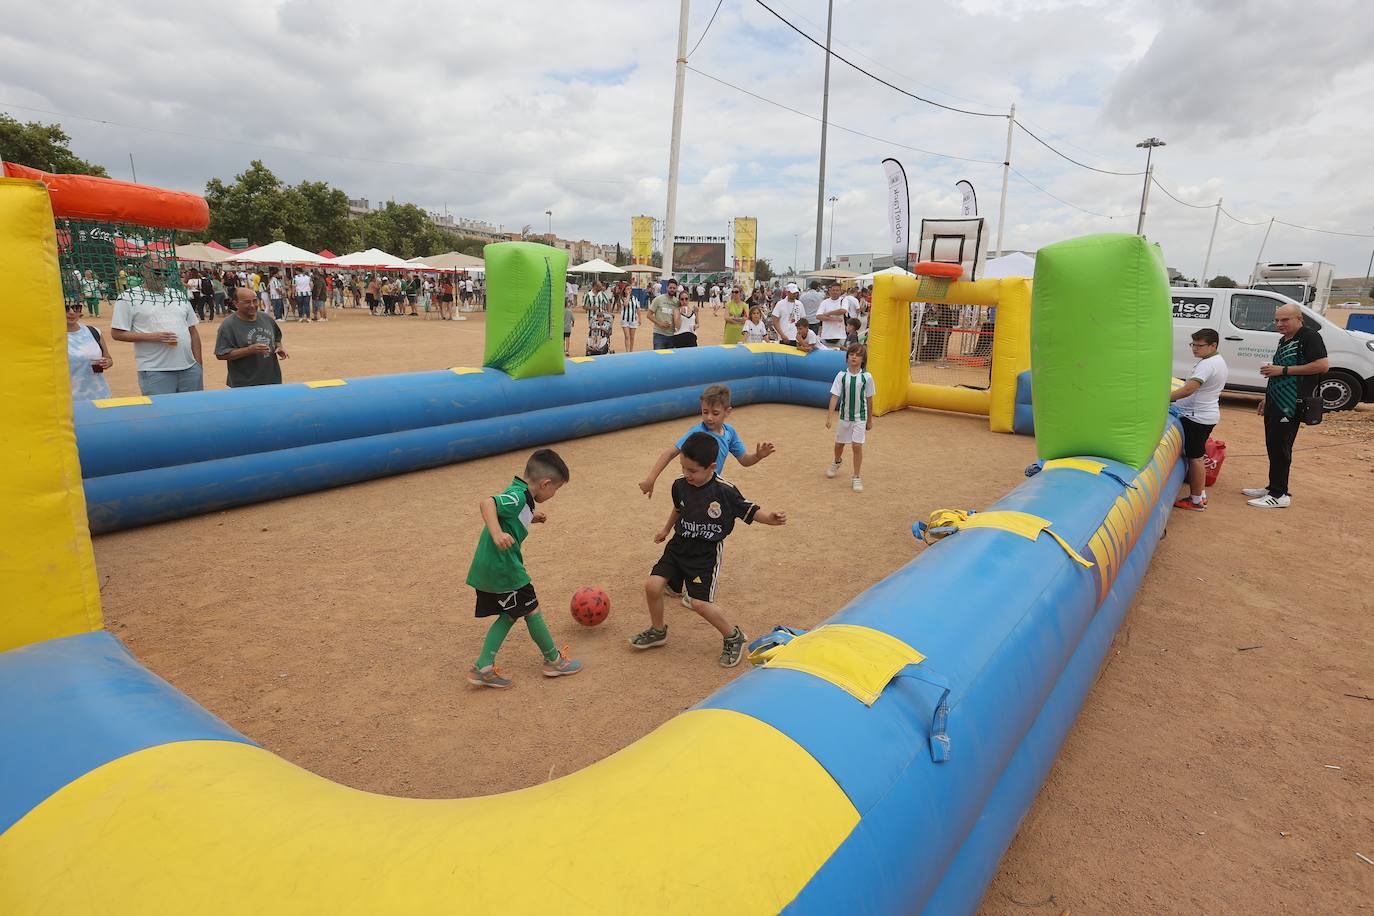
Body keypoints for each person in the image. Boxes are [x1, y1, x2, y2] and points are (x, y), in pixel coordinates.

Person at [629, 430, 787, 667]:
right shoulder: (680, 485)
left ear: (712, 467)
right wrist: (665, 529)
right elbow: (680, 509)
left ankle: (733, 636)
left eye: (692, 470)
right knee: (652, 586)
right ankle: (658, 630)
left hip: (704, 554)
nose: (686, 474)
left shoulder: (724, 491)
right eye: (683, 467)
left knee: (699, 603)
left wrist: (770, 518)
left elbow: (749, 510)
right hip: (678, 546)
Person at [464, 449, 582, 688]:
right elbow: (488, 503)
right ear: (545, 483)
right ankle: (554, 661)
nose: (554, 495)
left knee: (511, 612)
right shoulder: (518, 497)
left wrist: (531, 516)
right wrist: (497, 533)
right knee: (531, 609)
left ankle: (483, 666)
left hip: (491, 566)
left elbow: (509, 511)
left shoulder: (521, 497)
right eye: (555, 490)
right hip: (505, 568)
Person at [1243, 303, 1329, 509]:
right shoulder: (1284, 340)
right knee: (1273, 445)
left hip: (1291, 403)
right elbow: (1276, 373)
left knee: (1281, 447)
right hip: (1277, 400)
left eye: (1285, 320)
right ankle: (1273, 486)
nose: (1279, 324)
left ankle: (1280, 494)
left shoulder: (1309, 337)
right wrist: (1267, 397)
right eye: (1277, 320)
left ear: (1299, 319)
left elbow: (1322, 365)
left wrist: (1283, 370)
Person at [639, 383, 776, 499]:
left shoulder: (730, 433)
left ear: (727, 412)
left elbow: (744, 460)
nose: (709, 417)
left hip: (711, 487)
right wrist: (651, 479)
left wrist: (758, 456)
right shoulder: (697, 432)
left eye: (715, 413)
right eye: (705, 412)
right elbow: (670, 453)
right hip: (692, 485)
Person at [110, 265, 204, 395]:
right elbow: (117, 333)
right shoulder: (128, 297)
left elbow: (193, 331)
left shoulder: (178, 295)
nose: (162, 276)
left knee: (193, 412)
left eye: (166, 272)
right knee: (163, 413)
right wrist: (153, 337)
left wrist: (198, 365)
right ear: (143, 271)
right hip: (156, 370)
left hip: (189, 369)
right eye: (157, 272)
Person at [1168, 328, 1228, 510]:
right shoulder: (1216, 361)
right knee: (1196, 456)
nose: (1195, 348)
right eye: (1193, 344)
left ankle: (1196, 500)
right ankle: (1200, 495)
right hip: (1202, 415)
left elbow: (1188, 389)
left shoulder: (1207, 365)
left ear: (1213, 345)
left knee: (1195, 458)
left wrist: (1162, 399)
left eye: (1199, 345)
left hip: (1197, 417)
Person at [825, 343, 876, 493]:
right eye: (852, 354)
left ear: (863, 359)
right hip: (844, 417)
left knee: (856, 446)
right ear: (847, 357)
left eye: (858, 354)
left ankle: (856, 476)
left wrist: (869, 420)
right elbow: (834, 396)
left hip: (860, 417)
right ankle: (837, 461)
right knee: (839, 445)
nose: (854, 356)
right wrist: (829, 417)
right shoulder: (841, 375)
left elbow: (869, 399)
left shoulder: (867, 377)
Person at [215, 287, 288, 387]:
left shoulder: (266, 318)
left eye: (255, 301)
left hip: (272, 381)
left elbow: (276, 338)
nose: (253, 305)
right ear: (236, 304)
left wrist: (279, 347)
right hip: (244, 384)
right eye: (247, 302)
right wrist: (249, 350)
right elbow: (221, 354)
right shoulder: (228, 325)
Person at [65, 302, 113, 401]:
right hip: (69, 400)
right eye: (66, 308)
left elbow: (108, 358)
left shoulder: (93, 331)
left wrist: (107, 362)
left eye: (76, 308)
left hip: (101, 396)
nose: (72, 312)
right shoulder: (52, 338)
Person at [816, 282, 851, 349]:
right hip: (826, 336)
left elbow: (842, 311)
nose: (835, 292)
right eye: (833, 290)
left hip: (840, 336)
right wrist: (833, 319)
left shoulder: (844, 300)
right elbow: (818, 316)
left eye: (837, 290)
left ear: (840, 291)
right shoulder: (824, 302)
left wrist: (828, 314)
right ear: (829, 291)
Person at [583, 280, 613, 356]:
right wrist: (591, 308)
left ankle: (600, 346)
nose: (602, 287)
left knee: (602, 332)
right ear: (594, 286)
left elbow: (608, 303)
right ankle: (593, 346)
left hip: (603, 318)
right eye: (599, 286)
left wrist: (609, 314)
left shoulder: (602, 294)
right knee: (594, 332)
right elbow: (584, 306)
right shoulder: (588, 295)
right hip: (592, 318)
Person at [649, 278, 681, 349]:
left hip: (672, 335)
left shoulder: (677, 302)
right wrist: (660, 323)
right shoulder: (658, 299)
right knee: (659, 357)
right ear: (667, 288)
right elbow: (649, 315)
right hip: (659, 335)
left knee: (669, 359)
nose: (672, 289)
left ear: (676, 289)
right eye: (670, 288)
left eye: (674, 288)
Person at [618, 276, 640, 352]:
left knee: (632, 337)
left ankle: (631, 351)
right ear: (624, 290)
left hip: (633, 319)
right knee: (627, 336)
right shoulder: (622, 298)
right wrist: (627, 295)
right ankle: (627, 351)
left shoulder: (635, 298)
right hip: (625, 320)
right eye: (627, 289)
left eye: (630, 289)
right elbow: (625, 304)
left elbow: (638, 308)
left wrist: (639, 319)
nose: (629, 290)